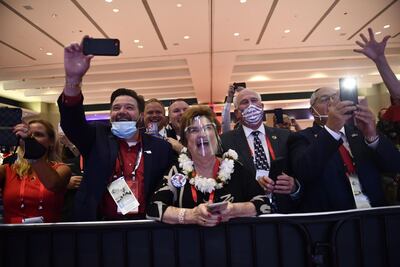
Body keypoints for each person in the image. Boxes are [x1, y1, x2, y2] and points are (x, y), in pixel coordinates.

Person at [58, 38, 175, 221]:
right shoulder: (96, 137)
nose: (122, 112)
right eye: (116, 107)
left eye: (129, 107)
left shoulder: (161, 148)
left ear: (140, 115)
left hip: (147, 226)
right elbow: (72, 123)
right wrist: (73, 80)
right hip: (100, 226)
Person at [147, 106, 271, 226]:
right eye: (194, 130)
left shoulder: (235, 168)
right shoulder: (176, 172)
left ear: (217, 135)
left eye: (208, 128)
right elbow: (153, 208)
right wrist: (191, 215)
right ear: (185, 141)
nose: (202, 134)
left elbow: (264, 204)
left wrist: (234, 210)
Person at [288, 87, 400, 212]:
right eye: (324, 99)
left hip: (375, 214)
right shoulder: (302, 137)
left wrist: (372, 136)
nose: (331, 103)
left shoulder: (361, 131)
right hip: (334, 219)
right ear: (313, 111)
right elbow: (304, 171)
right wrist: (331, 130)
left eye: (335, 98)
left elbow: (394, 165)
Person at [220, 89, 300, 213]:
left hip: (286, 211)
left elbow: (299, 171)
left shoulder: (286, 136)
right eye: (245, 102)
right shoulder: (225, 141)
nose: (250, 105)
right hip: (249, 214)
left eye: (254, 100)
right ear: (237, 113)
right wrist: (252, 186)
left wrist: (294, 186)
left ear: (262, 107)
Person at [0, 119, 71, 223]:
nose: (32, 138)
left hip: (49, 235)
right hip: (13, 236)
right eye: (29, 135)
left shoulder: (62, 169)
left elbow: (53, 184)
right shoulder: (7, 170)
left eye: (38, 134)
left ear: (51, 141)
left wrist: (31, 145)